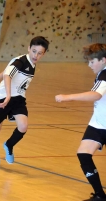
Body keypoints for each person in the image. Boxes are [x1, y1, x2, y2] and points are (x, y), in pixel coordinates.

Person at [0, 36, 49, 166]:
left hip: (18, 99)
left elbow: (6, 70)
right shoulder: (21, 61)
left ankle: (8, 145)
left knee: (23, 126)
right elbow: (7, 75)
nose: (36, 55)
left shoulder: (32, 64)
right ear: (29, 48)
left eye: (40, 53)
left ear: (43, 54)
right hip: (2, 98)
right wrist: (7, 95)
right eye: (34, 51)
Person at [55, 43, 106, 201]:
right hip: (99, 123)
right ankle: (100, 195)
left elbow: (96, 95)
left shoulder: (105, 75)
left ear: (103, 60)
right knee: (84, 154)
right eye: (88, 62)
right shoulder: (101, 73)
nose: (89, 65)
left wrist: (67, 97)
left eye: (92, 62)